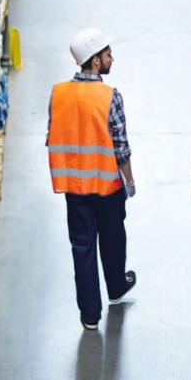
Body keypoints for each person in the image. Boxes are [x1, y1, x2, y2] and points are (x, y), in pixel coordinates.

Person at [47, 28, 137, 331]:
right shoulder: (109, 96)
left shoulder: (59, 94)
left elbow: (53, 136)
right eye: (108, 53)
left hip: (74, 188)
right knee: (113, 240)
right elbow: (121, 146)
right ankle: (116, 286)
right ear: (95, 61)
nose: (113, 58)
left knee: (82, 247)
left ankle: (89, 315)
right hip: (108, 186)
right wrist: (131, 181)